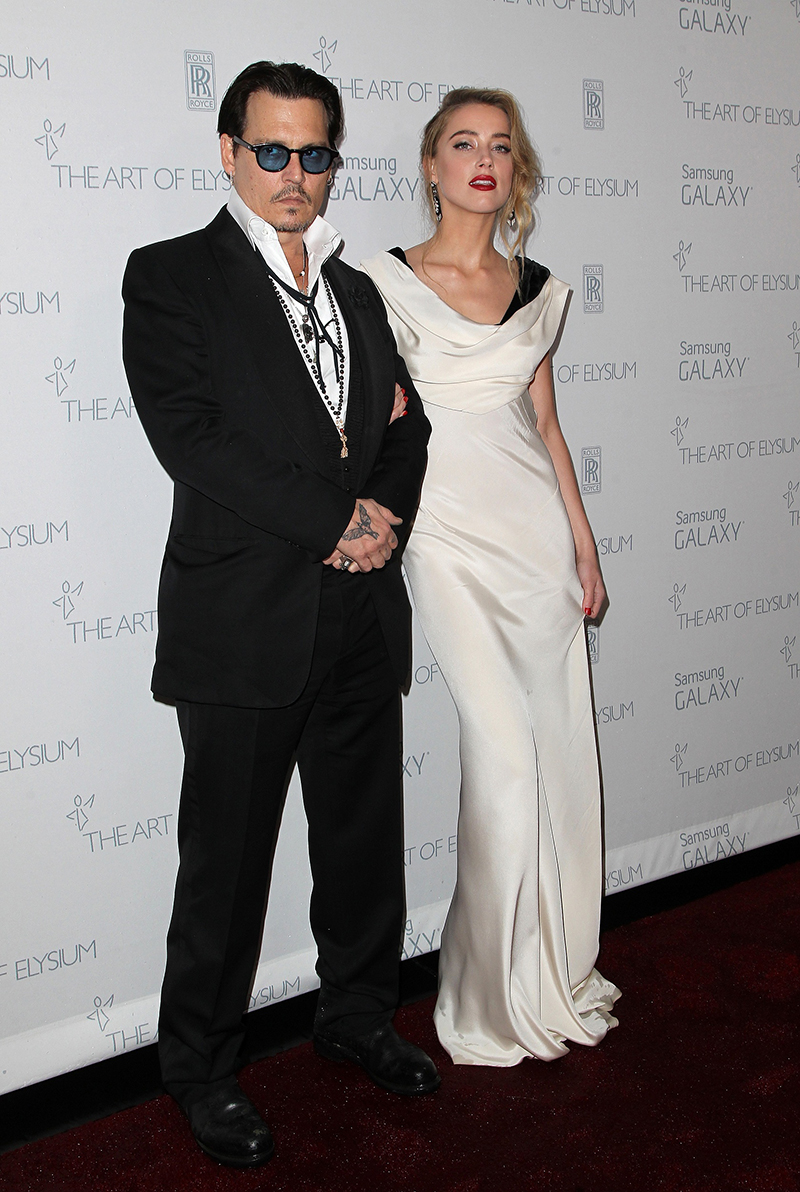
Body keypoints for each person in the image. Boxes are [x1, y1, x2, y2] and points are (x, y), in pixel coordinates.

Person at [121, 60, 437, 1169]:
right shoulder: (171, 277)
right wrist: (333, 519)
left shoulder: (359, 289)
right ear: (229, 151)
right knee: (227, 864)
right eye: (271, 150)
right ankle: (201, 1070)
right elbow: (193, 438)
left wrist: (382, 518)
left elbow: (407, 428)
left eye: (314, 154)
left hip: (360, 613)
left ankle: (357, 1015)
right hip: (243, 621)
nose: (293, 174)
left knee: (362, 843)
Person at [361, 88, 620, 1067]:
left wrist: (583, 544)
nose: (482, 159)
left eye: (500, 146)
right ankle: (481, 997)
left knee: (557, 755)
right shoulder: (380, 282)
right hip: (445, 539)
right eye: (462, 143)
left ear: (515, 172)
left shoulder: (537, 289)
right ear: (431, 166)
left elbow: (544, 424)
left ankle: (550, 968)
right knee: (506, 761)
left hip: (534, 540)